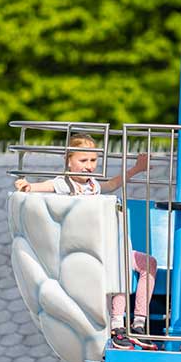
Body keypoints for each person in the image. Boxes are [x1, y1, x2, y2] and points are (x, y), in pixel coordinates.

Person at [15, 133, 158, 350]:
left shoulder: (92, 185)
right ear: (69, 160)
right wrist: (28, 186)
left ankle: (139, 321)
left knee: (148, 263)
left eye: (93, 161)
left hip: (107, 245)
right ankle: (118, 324)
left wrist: (137, 168)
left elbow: (111, 184)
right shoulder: (66, 184)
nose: (89, 166)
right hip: (89, 249)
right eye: (83, 161)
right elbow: (47, 186)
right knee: (119, 265)